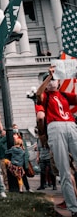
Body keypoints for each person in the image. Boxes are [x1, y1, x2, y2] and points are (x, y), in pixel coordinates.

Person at [36, 65, 77, 216]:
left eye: (55, 80)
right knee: (64, 170)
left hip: (71, 125)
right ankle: (74, 208)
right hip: (54, 126)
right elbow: (38, 93)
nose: (53, 82)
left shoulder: (64, 95)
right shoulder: (44, 96)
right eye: (49, 80)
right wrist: (48, 77)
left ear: (59, 83)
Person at [12, 124, 34, 193]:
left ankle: (27, 188)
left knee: (23, 174)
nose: (15, 129)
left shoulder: (20, 136)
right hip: (16, 158)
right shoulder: (11, 137)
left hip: (22, 158)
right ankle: (18, 188)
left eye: (16, 128)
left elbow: (25, 148)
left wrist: (27, 157)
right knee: (17, 174)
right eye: (14, 128)